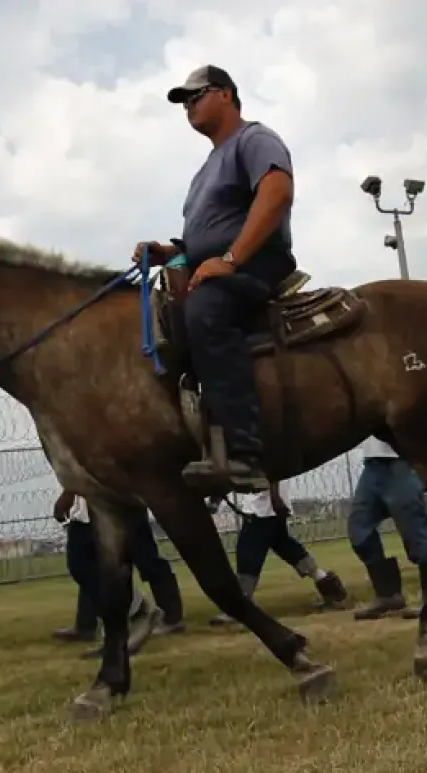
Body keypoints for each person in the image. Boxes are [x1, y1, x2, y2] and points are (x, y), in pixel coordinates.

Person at [132, 65, 298, 494]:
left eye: (196, 95)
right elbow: (201, 239)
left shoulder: (254, 139)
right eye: (184, 102)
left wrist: (230, 258)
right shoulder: (204, 170)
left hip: (257, 261)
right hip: (215, 266)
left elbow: (277, 191)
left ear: (225, 94)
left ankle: (245, 452)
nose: (188, 106)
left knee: (205, 313)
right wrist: (171, 254)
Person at [51, 491, 182, 654]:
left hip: (114, 498)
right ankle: (89, 625)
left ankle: (160, 614)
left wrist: (70, 491)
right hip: (91, 505)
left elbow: (90, 466)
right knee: (88, 565)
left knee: (144, 558)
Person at [207, 481, 348, 626]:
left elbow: (272, 468)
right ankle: (328, 586)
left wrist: (275, 498)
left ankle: (239, 607)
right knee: (285, 546)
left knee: (248, 553)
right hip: (269, 503)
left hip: (264, 506)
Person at [347, 437, 427, 619]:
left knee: (415, 532)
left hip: (403, 460)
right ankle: (388, 595)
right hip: (372, 464)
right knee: (358, 527)